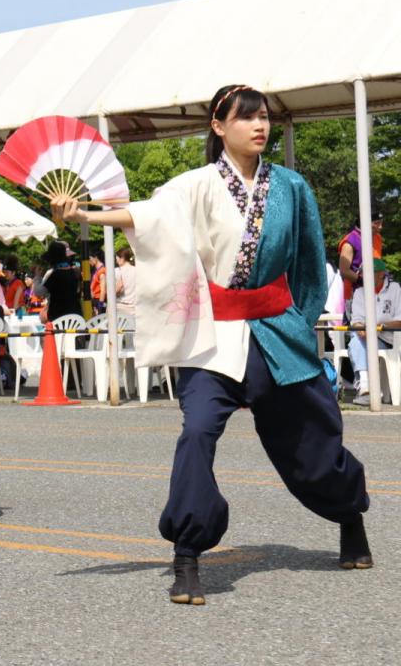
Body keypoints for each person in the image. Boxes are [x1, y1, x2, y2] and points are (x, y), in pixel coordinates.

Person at [54, 84, 372, 606]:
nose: (259, 126)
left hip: (276, 333)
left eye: (264, 117)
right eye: (246, 118)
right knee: (197, 432)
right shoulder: (194, 185)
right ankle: (188, 552)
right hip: (212, 338)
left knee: (312, 444)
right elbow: (147, 216)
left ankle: (348, 516)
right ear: (219, 127)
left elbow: (312, 266)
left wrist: (299, 320)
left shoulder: (291, 187)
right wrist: (85, 215)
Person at [348, 258, 400, 403]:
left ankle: (366, 388)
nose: (364, 277)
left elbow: (400, 320)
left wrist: (377, 328)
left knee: (355, 343)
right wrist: (361, 330)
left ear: (381, 274)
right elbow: (356, 320)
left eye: (368, 273)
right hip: (365, 338)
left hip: (389, 340)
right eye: (363, 273)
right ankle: (366, 387)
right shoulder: (359, 292)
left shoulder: (395, 289)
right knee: (356, 339)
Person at [337, 210, 383, 314]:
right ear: (364, 221)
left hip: (376, 294)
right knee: (358, 328)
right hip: (355, 295)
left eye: (381, 223)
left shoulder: (377, 237)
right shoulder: (350, 241)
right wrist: (364, 282)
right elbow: (344, 270)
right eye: (376, 223)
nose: (380, 227)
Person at [38, 241, 82, 323]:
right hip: (76, 316)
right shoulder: (75, 273)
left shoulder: (54, 275)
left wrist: (37, 276)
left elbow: (40, 293)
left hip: (58, 318)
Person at [114, 247, 137, 317]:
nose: (116, 261)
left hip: (119, 308)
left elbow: (118, 288)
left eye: (116, 259)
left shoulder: (117, 271)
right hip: (134, 308)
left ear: (122, 258)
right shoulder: (137, 270)